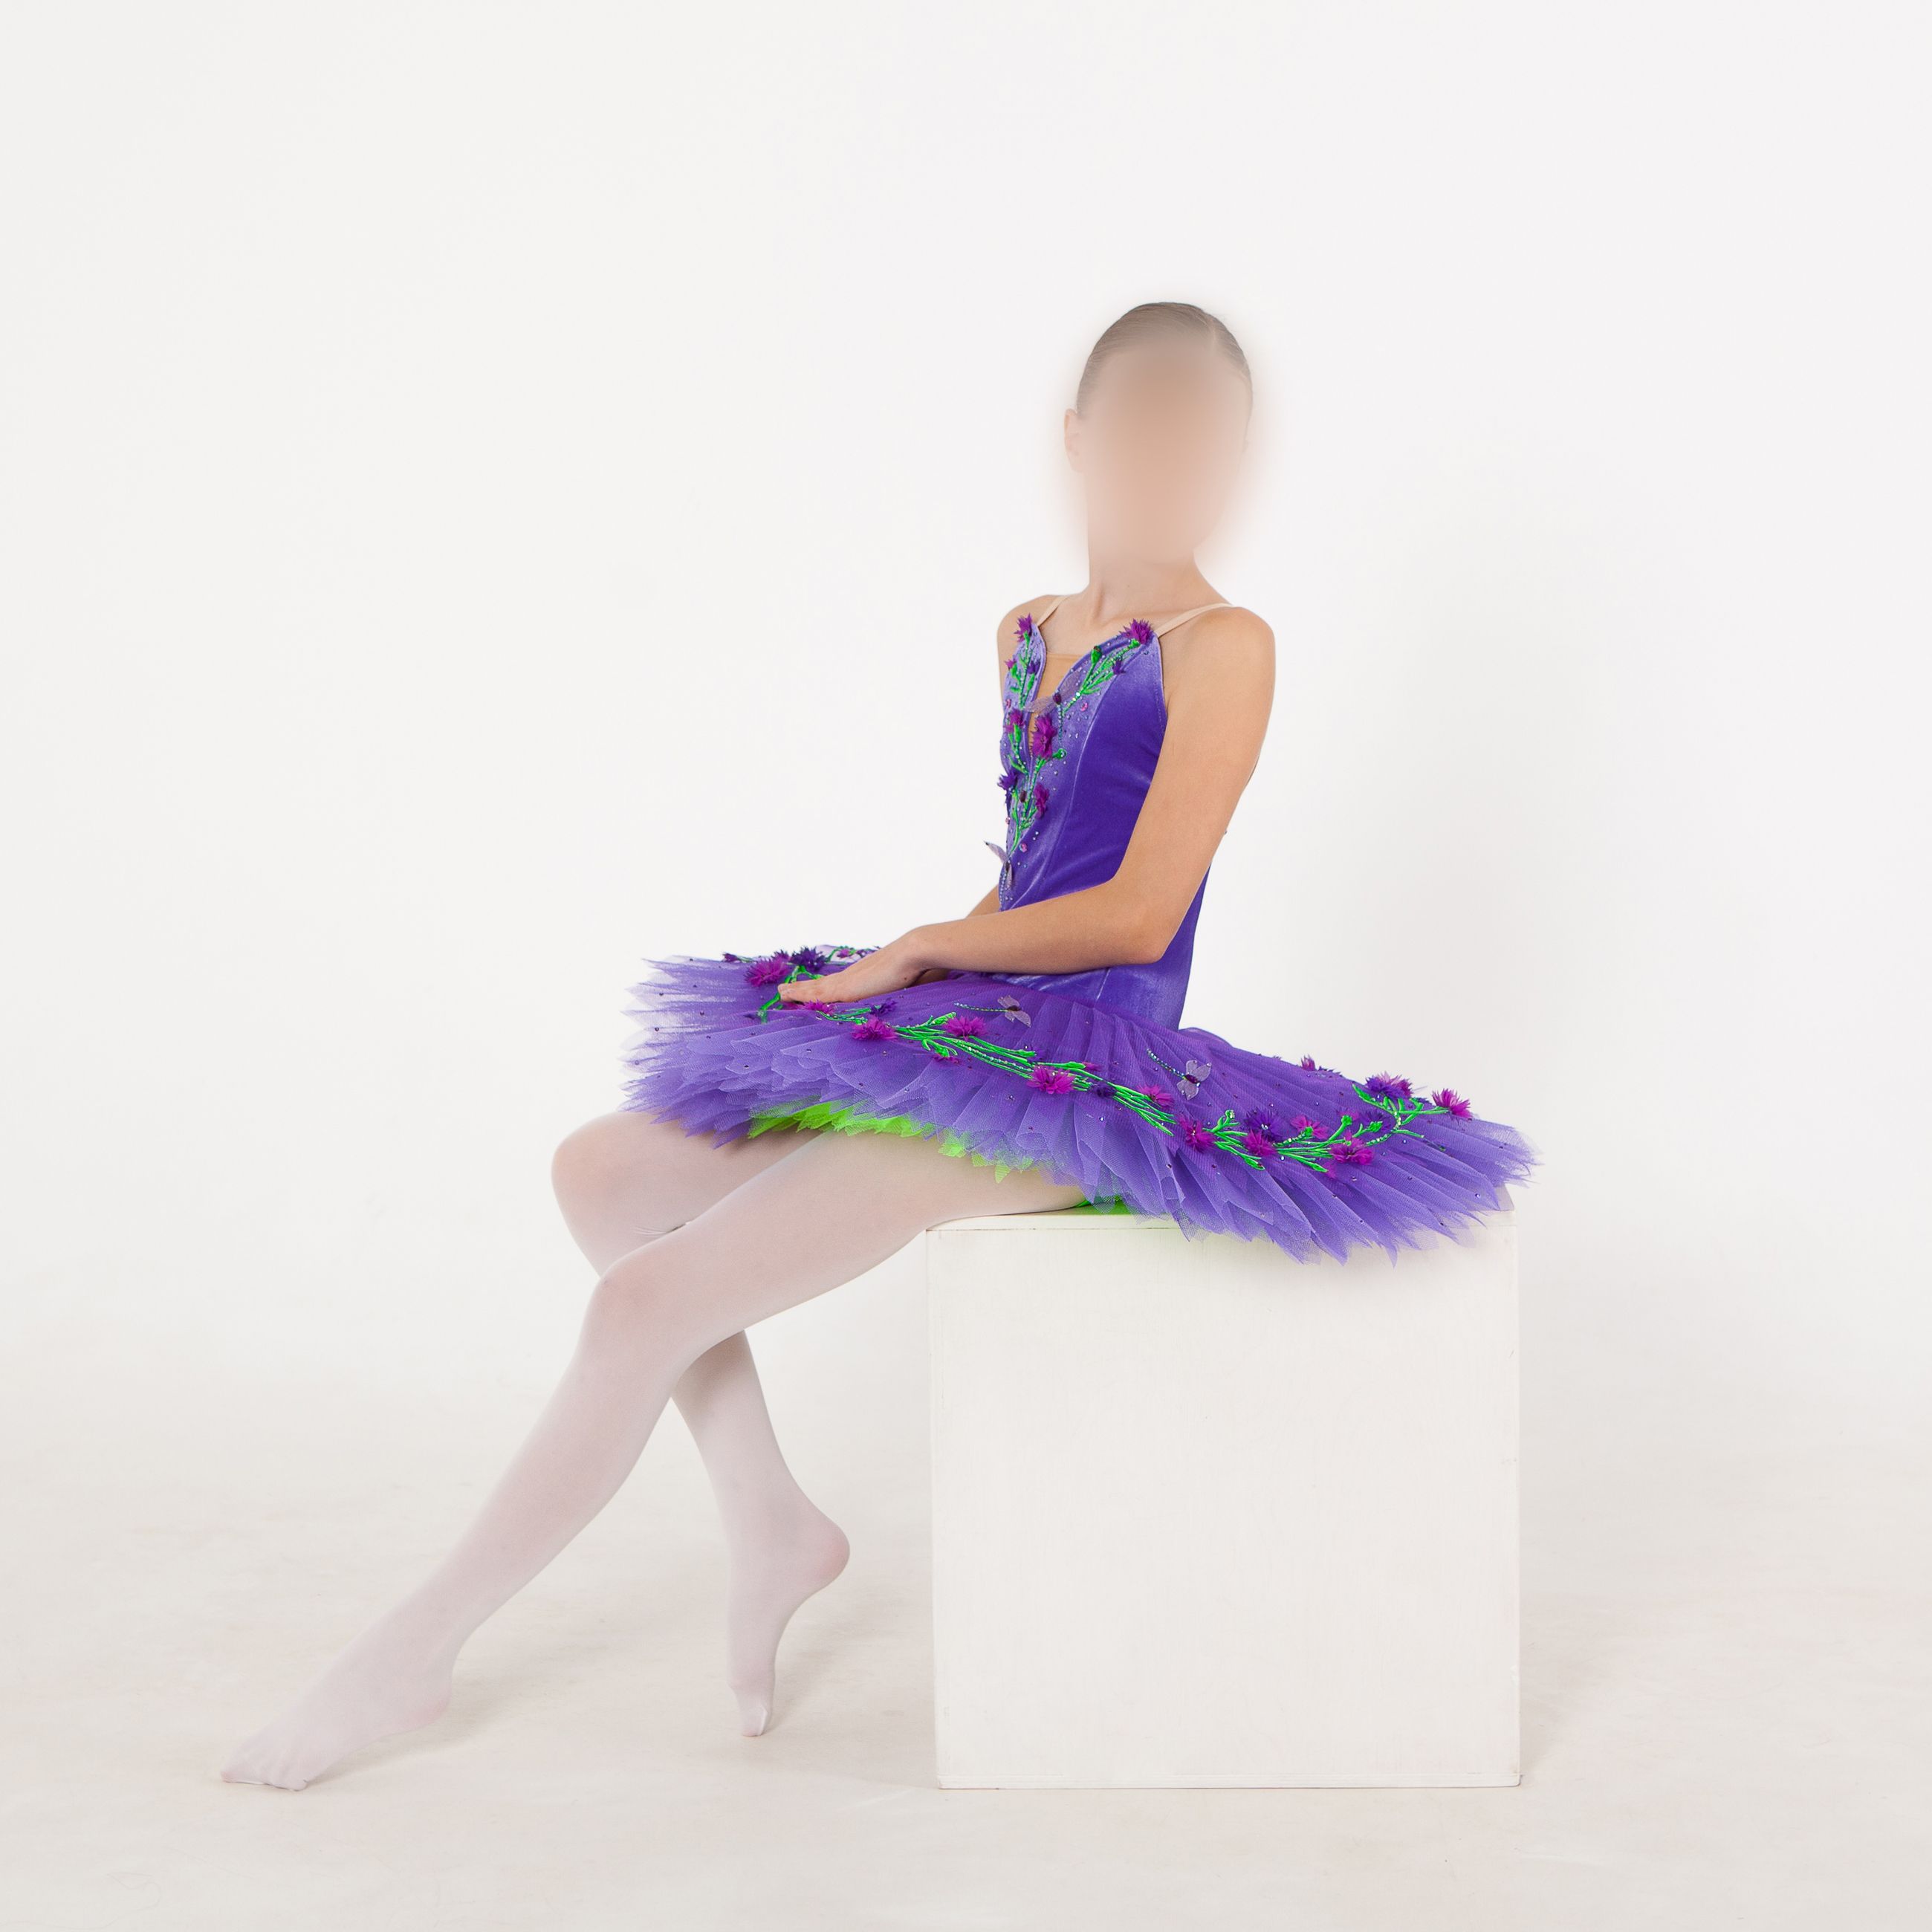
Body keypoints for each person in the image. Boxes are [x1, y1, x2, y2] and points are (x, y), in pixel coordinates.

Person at [222, 301, 1531, 1791]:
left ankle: (413, 1655)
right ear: (1082, 440)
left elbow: (1138, 908)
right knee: (600, 1173)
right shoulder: (1027, 633)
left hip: (1093, 1065)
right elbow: (1034, 876)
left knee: (647, 1299)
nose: (1182, 469)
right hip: (985, 1012)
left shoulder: (1224, 645)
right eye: (1150, 434)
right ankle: (772, 1517)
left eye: (1211, 442)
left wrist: (924, 948)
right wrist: (912, 971)